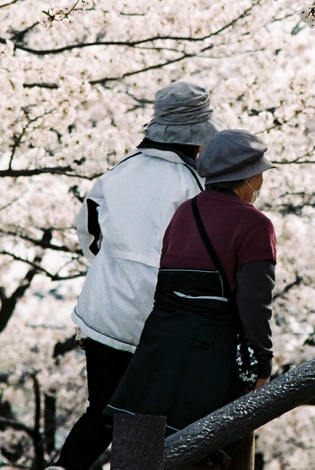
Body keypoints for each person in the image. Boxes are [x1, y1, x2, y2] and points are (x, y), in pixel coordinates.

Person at [50, 81, 226, 470]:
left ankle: (64, 467)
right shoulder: (194, 187)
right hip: (160, 323)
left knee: (102, 412)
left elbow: (89, 232)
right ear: (199, 138)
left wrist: (118, 269)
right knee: (157, 422)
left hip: (105, 313)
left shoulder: (116, 175)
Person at [105, 129, 277, 470]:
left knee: (146, 450)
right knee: (213, 447)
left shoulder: (185, 212)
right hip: (211, 358)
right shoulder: (255, 224)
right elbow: (255, 303)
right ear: (248, 178)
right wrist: (262, 362)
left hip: (158, 353)